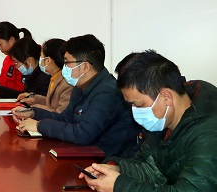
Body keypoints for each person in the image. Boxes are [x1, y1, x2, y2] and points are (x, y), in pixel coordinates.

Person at [81, 50, 217, 192]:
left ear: (166, 97)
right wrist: (117, 169)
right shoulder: (164, 122)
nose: (135, 113)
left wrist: (120, 185)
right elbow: (152, 169)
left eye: (139, 105)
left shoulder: (208, 135)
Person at [13, 34, 137, 157]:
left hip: (105, 159)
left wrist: (39, 126)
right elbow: (66, 118)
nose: (64, 68)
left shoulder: (107, 92)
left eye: (67, 63)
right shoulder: (81, 86)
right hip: (83, 152)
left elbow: (83, 134)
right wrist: (34, 113)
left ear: (85, 67)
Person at [14, 38, 72, 113]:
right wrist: (35, 99)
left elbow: (61, 115)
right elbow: (51, 103)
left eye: (41, 56)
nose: (39, 59)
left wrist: (37, 110)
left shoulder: (67, 84)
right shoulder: (54, 78)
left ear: (48, 60)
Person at [0, 22, 31, 92]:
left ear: (11, 40)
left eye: (0, 44)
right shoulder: (7, 59)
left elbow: (21, 89)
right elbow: (4, 81)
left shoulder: (24, 58)